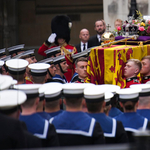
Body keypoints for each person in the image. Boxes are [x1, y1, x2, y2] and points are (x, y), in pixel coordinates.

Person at [38, 15, 77, 82]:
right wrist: (48, 42)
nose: (60, 39)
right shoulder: (53, 49)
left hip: (69, 75)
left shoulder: (72, 49)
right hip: (56, 75)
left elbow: (75, 65)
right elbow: (41, 52)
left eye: (61, 37)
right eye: (58, 38)